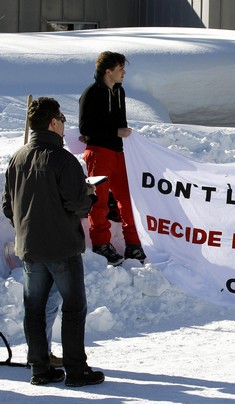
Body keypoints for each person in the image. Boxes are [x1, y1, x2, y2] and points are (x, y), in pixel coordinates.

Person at [2, 97, 105, 386]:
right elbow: (77, 203)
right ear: (53, 122)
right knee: (73, 308)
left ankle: (40, 368)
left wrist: (25, 226)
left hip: (30, 248)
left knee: (34, 309)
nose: (65, 125)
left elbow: (8, 206)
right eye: (63, 119)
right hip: (61, 247)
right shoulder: (63, 159)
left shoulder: (18, 157)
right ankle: (76, 370)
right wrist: (89, 194)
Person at [79, 51, 146, 265]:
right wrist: (114, 133)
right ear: (108, 71)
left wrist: (119, 135)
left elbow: (118, 124)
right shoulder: (91, 93)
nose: (124, 73)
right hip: (99, 153)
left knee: (127, 199)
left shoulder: (119, 91)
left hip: (118, 153)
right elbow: (86, 128)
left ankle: (134, 245)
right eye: (120, 69)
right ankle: (101, 245)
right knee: (98, 201)